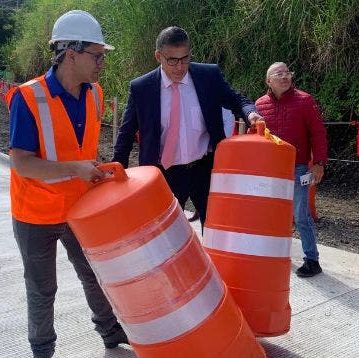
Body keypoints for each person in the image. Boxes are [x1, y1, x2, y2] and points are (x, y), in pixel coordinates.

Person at [6, 10, 128, 358]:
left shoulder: (96, 95)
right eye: (97, 55)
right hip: (34, 214)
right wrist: (74, 168)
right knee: (42, 289)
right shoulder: (28, 98)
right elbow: (21, 162)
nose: (102, 64)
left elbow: (83, 149)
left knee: (95, 274)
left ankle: (111, 332)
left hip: (80, 209)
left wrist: (93, 171)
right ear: (70, 53)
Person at [112, 26, 262, 227]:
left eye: (185, 58)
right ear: (158, 56)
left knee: (215, 230)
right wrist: (117, 172)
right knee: (166, 234)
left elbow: (237, 100)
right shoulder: (142, 88)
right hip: (163, 173)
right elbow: (126, 133)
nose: (179, 67)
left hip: (205, 168)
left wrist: (251, 113)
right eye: (172, 60)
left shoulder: (208, 76)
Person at [255, 62, 328, 277]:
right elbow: (255, 136)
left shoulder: (305, 101)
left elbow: (318, 133)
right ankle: (273, 251)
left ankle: (312, 260)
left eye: (288, 73)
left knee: (301, 214)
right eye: (280, 74)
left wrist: (319, 163)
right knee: (270, 212)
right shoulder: (259, 105)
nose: (285, 77)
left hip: (298, 167)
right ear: (269, 80)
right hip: (270, 169)